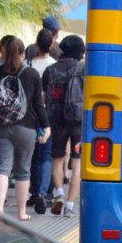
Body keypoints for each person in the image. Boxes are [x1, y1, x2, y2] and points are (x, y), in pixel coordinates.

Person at [0, 37, 49, 220]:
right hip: (26, 127)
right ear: (23, 53)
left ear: (4, 52)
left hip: (0, 125)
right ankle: (22, 213)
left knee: (1, 167)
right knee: (23, 170)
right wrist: (46, 126)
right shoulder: (32, 74)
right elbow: (38, 104)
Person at [44, 35, 86, 216]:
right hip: (78, 120)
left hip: (56, 121)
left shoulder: (50, 70)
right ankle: (69, 205)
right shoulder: (83, 68)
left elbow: (45, 96)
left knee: (57, 159)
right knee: (77, 162)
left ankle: (59, 193)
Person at [27, 28, 57, 210]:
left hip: (29, 115)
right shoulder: (53, 65)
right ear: (51, 44)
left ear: (37, 44)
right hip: (47, 115)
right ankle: (43, 192)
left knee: (31, 155)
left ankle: (33, 191)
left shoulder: (27, 65)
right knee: (45, 155)